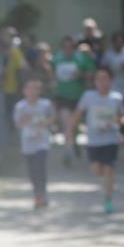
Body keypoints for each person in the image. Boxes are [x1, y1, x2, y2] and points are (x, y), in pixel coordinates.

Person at [66, 67, 124, 214]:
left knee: (109, 169)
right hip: (93, 140)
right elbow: (77, 114)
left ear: (111, 80)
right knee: (97, 170)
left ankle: (108, 199)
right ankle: (107, 181)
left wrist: (118, 121)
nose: (101, 82)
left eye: (105, 78)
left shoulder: (116, 97)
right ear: (94, 81)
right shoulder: (88, 96)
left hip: (111, 139)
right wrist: (69, 130)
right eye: (98, 79)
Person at [13, 78, 55, 209]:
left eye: (34, 88)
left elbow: (53, 117)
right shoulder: (20, 106)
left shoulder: (45, 104)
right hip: (27, 143)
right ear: (24, 91)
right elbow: (17, 124)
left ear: (38, 91)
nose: (32, 91)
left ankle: (42, 195)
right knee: (32, 171)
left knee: (40, 168)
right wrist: (26, 120)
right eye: (29, 88)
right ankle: (37, 194)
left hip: (42, 141)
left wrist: (45, 123)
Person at [52, 36, 95, 164]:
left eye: (70, 47)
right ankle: (68, 151)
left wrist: (81, 74)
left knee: (75, 125)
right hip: (63, 96)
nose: (68, 50)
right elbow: (51, 72)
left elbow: (92, 71)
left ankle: (75, 142)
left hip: (78, 96)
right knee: (67, 123)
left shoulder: (81, 58)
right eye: (65, 47)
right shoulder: (57, 58)